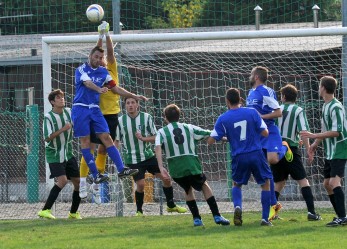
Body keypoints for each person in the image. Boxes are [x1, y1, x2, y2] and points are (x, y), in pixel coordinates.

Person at [78, 21, 147, 201]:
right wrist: (100, 35)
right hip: (95, 112)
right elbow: (96, 51)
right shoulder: (90, 69)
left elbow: (107, 52)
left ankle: (96, 183)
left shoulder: (109, 70)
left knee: (104, 149)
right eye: (98, 58)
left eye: (103, 58)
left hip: (112, 114)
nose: (102, 59)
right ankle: (84, 182)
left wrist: (108, 34)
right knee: (90, 147)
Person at [72, 45, 139, 192]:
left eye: (100, 57)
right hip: (81, 108)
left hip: (95, 110)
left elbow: (115, 88)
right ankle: (94, 174)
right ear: (90, 56)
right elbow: (87, 83)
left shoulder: (104, 72)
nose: (98, 59)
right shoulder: (81, 69)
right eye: (96, 56)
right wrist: (99, 89)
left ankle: (121, 169)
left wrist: (133, 95)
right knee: (86, 142)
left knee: (107, 138)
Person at [155, 104, 230, 227]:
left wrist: (161, 166)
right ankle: (217, 215)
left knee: (187, 189)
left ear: (165, 118)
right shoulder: (189, 127)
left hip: (176, 169)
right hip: (191, 165)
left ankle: (197, 219)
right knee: (204, 185)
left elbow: (157, 147)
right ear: (179, 116)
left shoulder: (161, 132)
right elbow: (208, 133)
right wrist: (226, 138)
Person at [208, 88, 273, 226]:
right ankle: (264, 218)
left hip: (238, 156)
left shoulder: (223, 118)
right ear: (241, 99)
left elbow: (211, 140)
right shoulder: (252, 112)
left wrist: (227, 137)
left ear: (227, 101)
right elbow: (265, 133)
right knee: (265, 183)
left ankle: (238, 207)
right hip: (256, 153)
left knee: (237, 184)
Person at [114, 97, 187, 215]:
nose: (130, 105)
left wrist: (143, 138)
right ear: (125, 106)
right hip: (133, 159)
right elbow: (116, 141)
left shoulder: (147, 117)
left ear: (137, 104)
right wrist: (116, 158)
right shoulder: (120, 121)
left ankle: (171, 205)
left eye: (133, 102)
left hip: (148, 156)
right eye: (128, 103)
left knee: (166, 178)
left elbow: (156, 137)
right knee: (141, 184)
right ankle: (139, 211)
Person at [246, 66, 293, 220]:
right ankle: (273, 206)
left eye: (252, 74)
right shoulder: (250, 93)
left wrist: (261, 116)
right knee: (266, 173)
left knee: (272, 159)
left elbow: (278, 112)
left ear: (257, 76)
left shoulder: (266, 91)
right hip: (256, 134)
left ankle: (284, 148)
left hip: (270, 131)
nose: (250, 76)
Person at [301, 76, 347, 227]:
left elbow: (336, 132)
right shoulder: (325, 106)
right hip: (330, 152)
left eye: (319, 85)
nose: (318, 88)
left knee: (334, 182)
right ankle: (340, 216)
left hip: (340, 150)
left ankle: (343, 217)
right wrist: (314, 144)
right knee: (327, 184)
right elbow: (325, 129)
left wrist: (314, 135)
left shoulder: (336, 107)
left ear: (323, 88)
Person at [272, 84, 321, 221]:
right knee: (303, 181)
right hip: (290, 150)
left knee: (279, 183)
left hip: (277, 149)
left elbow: (273, 130)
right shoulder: (298, 110)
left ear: (284, 97)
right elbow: (304, 132)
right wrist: (308, 149)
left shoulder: (277, 110)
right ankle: (311, 212)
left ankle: (272, 214)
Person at [38, 89, 81, 219]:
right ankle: (45, 210)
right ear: (52, 102)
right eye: (58, 98)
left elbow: (77, 121)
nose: (62, 99)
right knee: (62, 181)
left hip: (68, 153)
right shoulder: (48, 117)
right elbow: (47, 137)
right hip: (54, 154)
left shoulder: (69, 112)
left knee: (78, 182)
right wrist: (63, 129)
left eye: (62, 97)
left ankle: (73, 213)